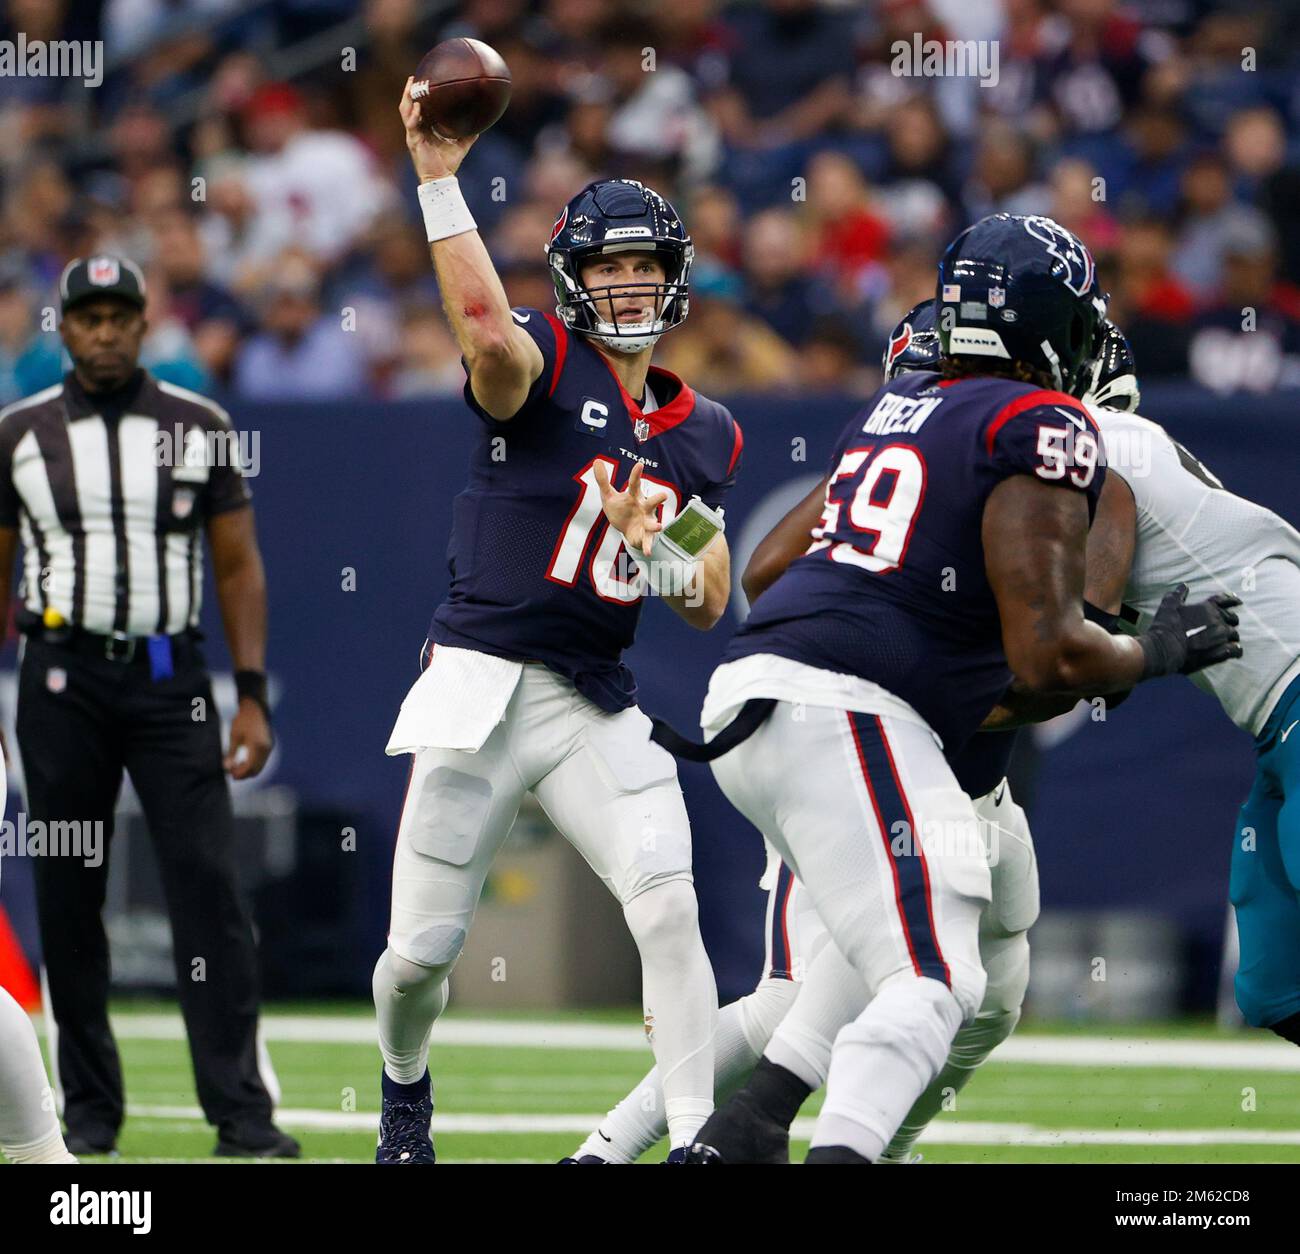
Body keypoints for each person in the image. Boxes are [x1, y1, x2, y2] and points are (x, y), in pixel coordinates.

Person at [685, 214, 1240, 1164]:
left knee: (922, 966)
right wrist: (1156, 652)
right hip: (852, 714)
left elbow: (776, 576)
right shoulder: (1043, 426)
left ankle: (735, 1134)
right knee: (937, 980)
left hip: (770, 701)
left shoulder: (902, 409)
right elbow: (1052, 663)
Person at [563, 301, 1038, 1165]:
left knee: (987, 995)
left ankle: (872, 1144)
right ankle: (619, 1148)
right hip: (862, 756)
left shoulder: (1013, 461)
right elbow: (740, 583)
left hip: (960, 784)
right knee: (817, 992)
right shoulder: (907, 463)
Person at [371, 80, 744, 1164]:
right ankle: (403, 1093)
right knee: (417, 957)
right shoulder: (538, 360)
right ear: (572, 283)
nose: (628, 285)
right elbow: (485, 334)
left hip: (592, 697)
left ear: (676, 282)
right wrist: (439, 178)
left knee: (667, 907)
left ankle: (691, 1142)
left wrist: (656, 542)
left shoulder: (702, 431)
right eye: (608, 267)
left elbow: (710, 598)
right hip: (483, 677)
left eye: (646, 267)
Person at [0, 255, 294, 1159]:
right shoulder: (19, 432)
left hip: (173, 680)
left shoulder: (197, 425)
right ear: (65, 327)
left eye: (119, 315)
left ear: (143, 321)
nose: (104, 331)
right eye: (86, 317)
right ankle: (89, 1111)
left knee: (207, 886)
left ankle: (241, 1112)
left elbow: (239, 564)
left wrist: (248, 694)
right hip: (58, 676)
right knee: (68, 891)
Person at [1000, 319, 1300, 1050]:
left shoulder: (1103, 445)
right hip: (1276, 726)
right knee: (1273, 986)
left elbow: (1085, 651)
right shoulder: (1111, 451)